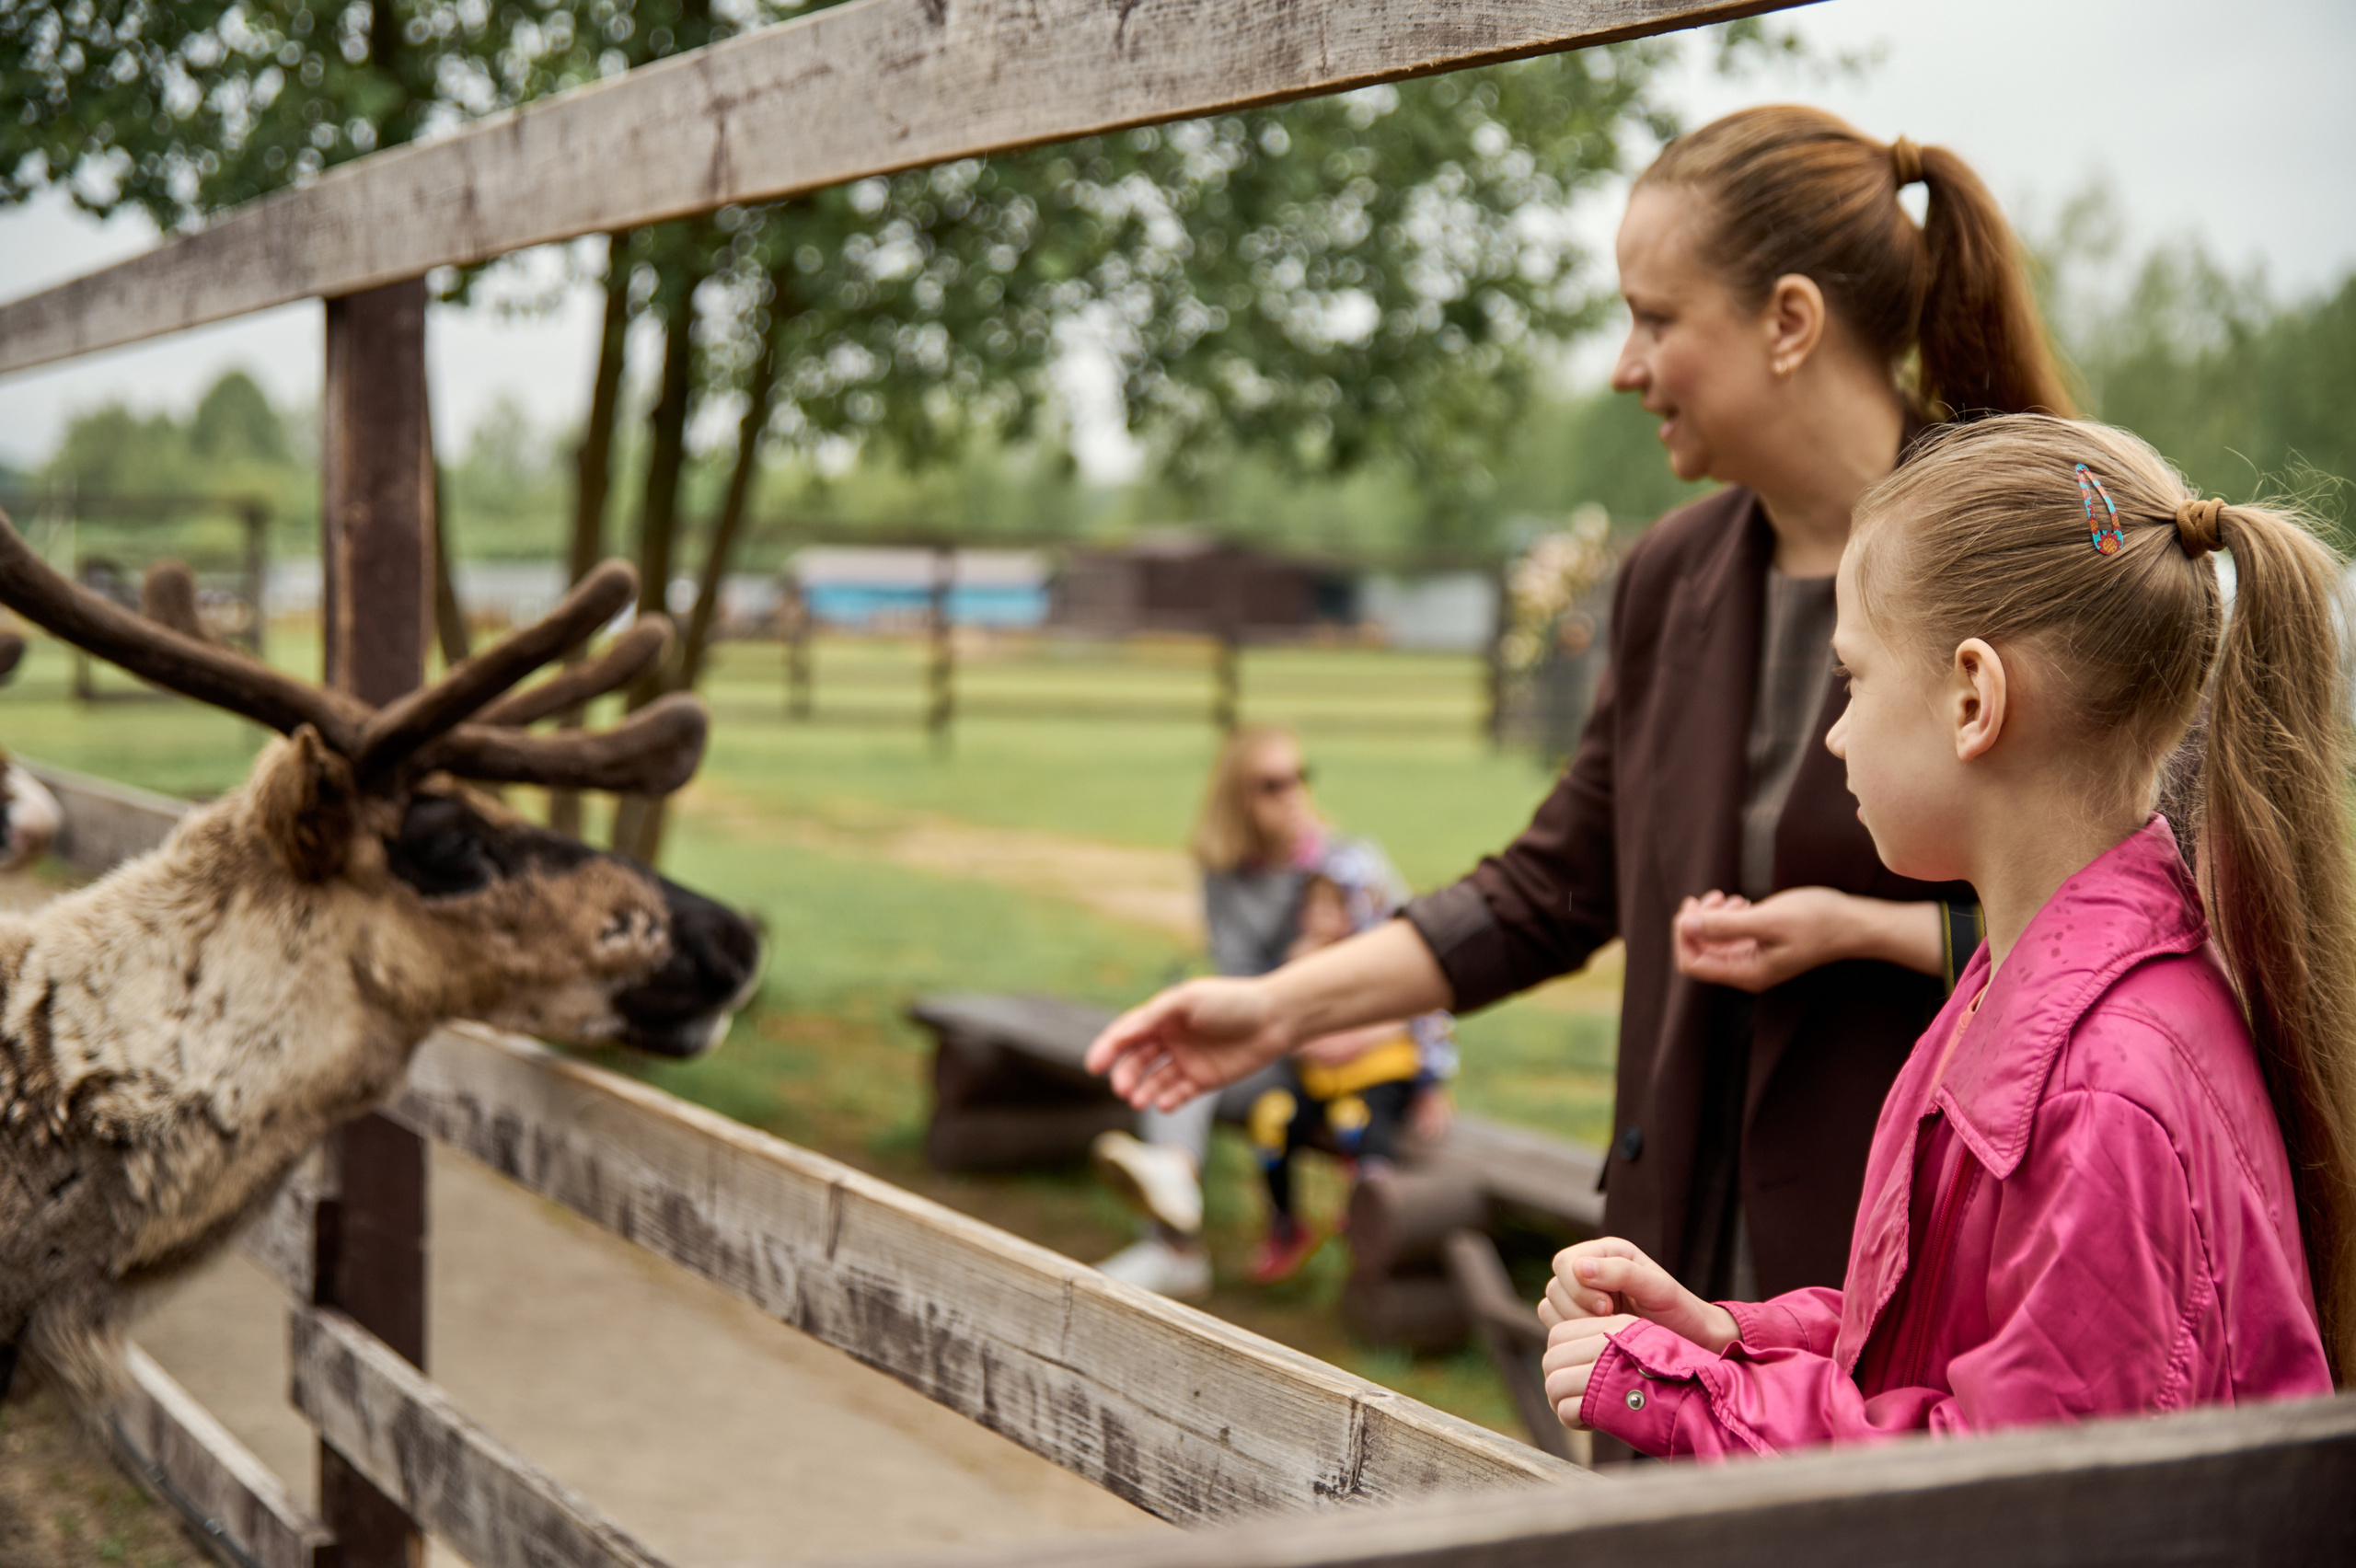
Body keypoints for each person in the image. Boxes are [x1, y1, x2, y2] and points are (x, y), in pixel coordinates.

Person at [1087, 108, 2074, 1332]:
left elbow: (2146, 914)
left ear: (1789, 323)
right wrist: (1276, 1010)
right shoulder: (1674, 577)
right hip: (1664, 1290)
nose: (1626, 366)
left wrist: (1868, 931)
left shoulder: (2021, 558)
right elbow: (1553, 888)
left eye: (1656, 319)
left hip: (1916, 1307)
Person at [1536, 416, 2349, 1451]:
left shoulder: (2109, 1089)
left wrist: (1688, 1394)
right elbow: (1941, 1350)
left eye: (1853, 678)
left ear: (1972, 698)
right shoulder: (2016, 984)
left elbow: (2007, 1493)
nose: (1833, 731)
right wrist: (1724, 1335)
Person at [1091, 725, 1324, 1300]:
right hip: (1268, 1046)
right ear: (1238, 798)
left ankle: (1172, 1226)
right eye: (1271, 784)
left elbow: (1407, 961)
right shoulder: (1225, 871)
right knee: (1172, 1055)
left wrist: (1429, 1081)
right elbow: (1238, 976)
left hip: (1336, 1059)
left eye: (1299, 777)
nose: (1291, 794)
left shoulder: (1340, 864)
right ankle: (1175, 1234)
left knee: (1185, 1052)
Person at [1244, 841, 1458, 1285]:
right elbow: (1278, 1016)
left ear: (1362, 905)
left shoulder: (1387, 959)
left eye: (1333, 906)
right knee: (1271, 1118)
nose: (1319, 918)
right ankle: (1285, 1224)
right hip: (1322, 1083)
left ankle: (1365, 1214)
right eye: (1313, 905)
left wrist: (1429, 1088)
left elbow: (1428, 1020)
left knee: (1355, 1122)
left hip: (1378, 1080)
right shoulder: (1304, 958)